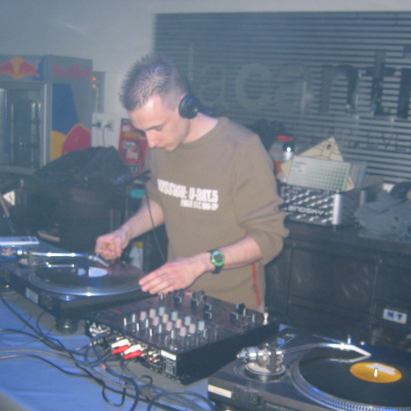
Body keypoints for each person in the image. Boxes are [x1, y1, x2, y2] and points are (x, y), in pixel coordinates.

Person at [95, 54, 287, 309]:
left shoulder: (242, 149)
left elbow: (269, 238)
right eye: (143, 131)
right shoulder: (160, 146)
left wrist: (200, 263)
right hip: (178, 295)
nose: (151, 142)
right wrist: (125, 232)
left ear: (187, 106)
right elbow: (160, 200)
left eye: (157, 128)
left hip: (233, 305)